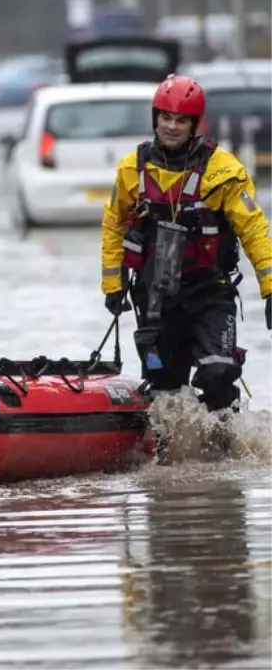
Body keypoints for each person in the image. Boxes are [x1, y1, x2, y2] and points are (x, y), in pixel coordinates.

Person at [101, 74, 272, 459]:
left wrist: (270, 287)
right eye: (165, 117)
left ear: (195, 125)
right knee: (166, 389)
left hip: (209, 293)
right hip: (157, 297)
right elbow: (113, 224)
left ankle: (225, 451)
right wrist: (111, 284)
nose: (172, 126)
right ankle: (171, 466)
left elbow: (254, 229)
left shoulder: (223, 170)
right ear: (155, 118)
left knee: (216, 373)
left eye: (181, 120)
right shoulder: (133, 169)